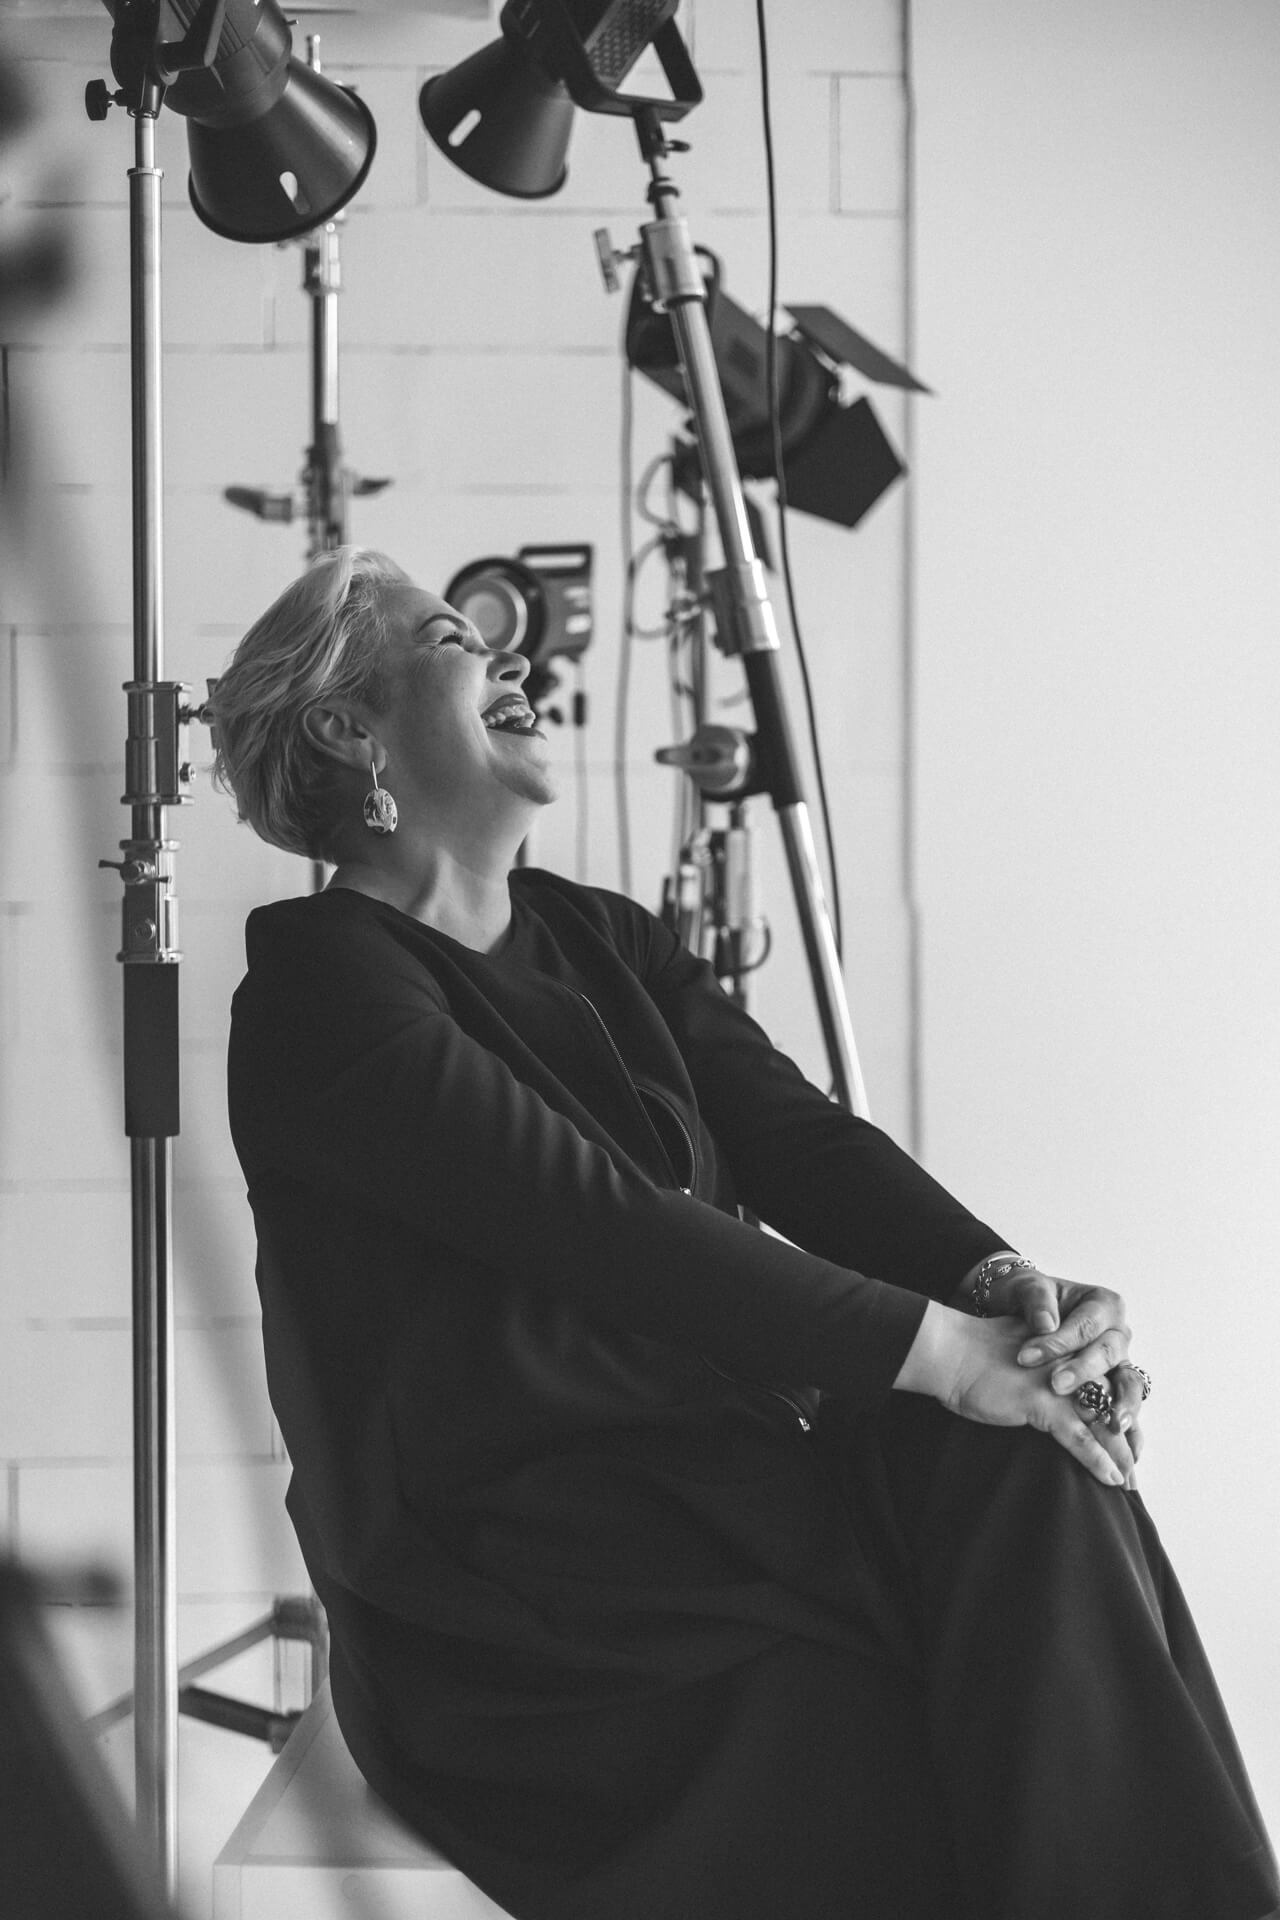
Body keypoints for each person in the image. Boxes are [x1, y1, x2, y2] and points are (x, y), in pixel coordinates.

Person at [211, 545, 1277, 1920]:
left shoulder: (601, 936)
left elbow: (805, 1144)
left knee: (1032, 1449)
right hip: (533, 1583)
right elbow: (606, 1229)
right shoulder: (320, 991)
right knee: (920, 1742)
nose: (511, 656)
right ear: (347, 729)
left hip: (727, 1485)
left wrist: (1010, 1291)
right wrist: (939, 1351)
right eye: (453, 640)